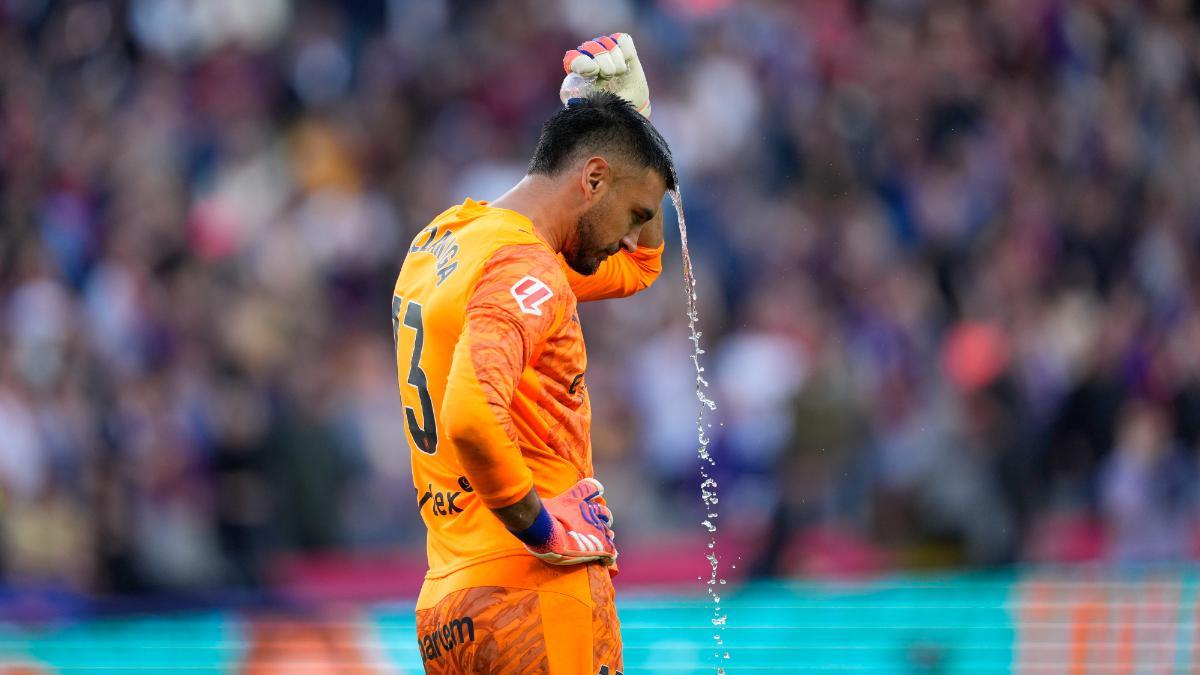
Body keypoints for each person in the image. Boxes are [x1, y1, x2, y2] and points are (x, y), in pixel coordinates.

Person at [392, 34, 675, 674]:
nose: (631, 235)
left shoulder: (443, 240)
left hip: (448, 603)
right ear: (593, 178)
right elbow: (471, 416)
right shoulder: (527, 267)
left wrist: (633, 123)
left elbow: (639, 267)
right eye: (635, 213)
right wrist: (545, 530)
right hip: (535, 589)